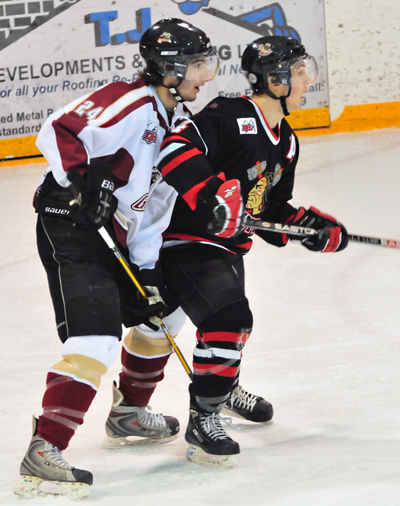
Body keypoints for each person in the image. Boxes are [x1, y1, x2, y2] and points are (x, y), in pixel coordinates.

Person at [14, 18, 219, 500]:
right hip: (72, 224)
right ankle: (45, 448)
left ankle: (128, 412)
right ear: (169, 68)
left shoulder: (177, 124)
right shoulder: (128, 100)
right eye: (196, 64)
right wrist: (87, 179)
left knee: (163, 312)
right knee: (97, 338)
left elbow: (153, 208)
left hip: (119, 234)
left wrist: (146, 271)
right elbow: (59, 129)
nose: (205, 73)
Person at [154, 35, 349, 468]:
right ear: (275, 77)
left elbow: (270, 210)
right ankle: (204, 417)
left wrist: (312, 229)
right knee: (229, 320)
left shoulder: (287, 140)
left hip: (229, 248)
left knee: (228, 326)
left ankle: (222, 390)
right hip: (187, 241)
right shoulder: (229, 113)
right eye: (299, 73)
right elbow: (174, 150)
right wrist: (212, 196)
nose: (306, 82)